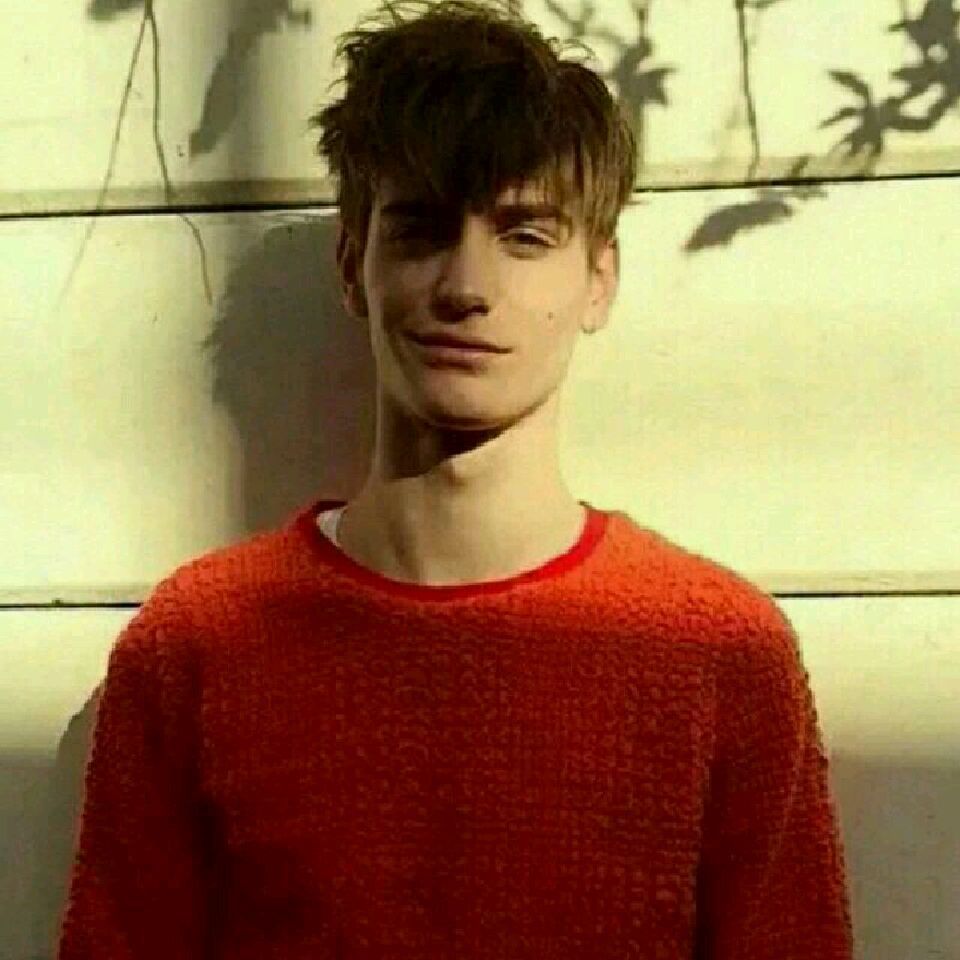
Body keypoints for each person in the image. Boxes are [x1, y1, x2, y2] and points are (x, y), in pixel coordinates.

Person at [56, 1, 855, 957]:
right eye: (422, 230)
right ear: (352, 264)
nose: (467, 286)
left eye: (525, 235)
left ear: (599, 279)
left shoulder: (721, 652)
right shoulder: (196, 646)